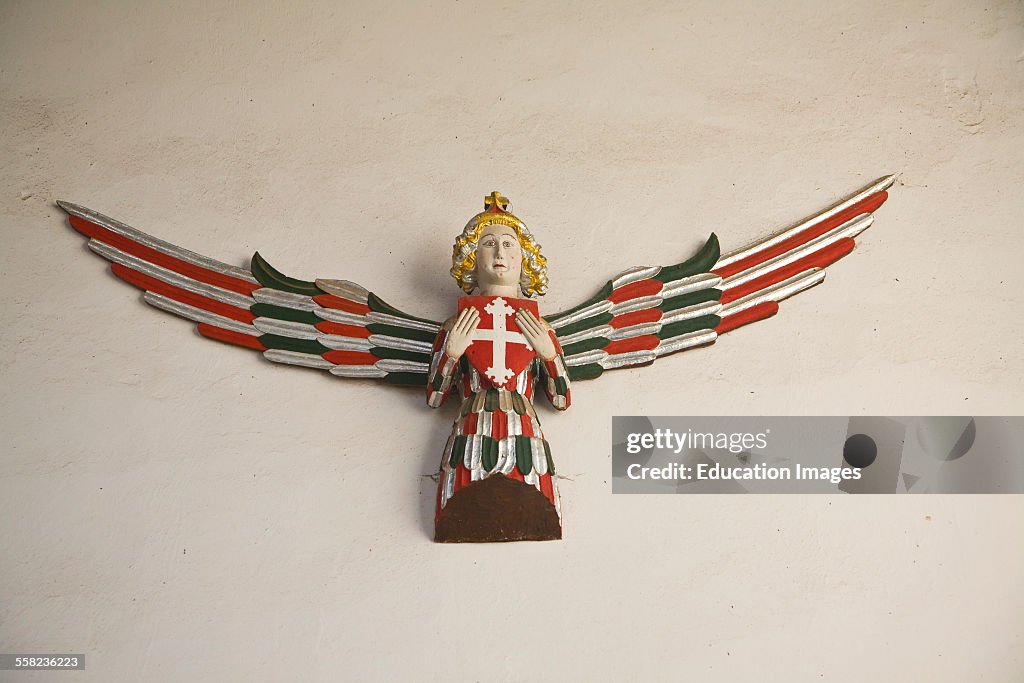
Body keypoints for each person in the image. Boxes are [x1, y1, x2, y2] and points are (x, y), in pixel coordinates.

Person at [427, 192, 571, 542]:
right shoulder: (455, 324)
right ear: (472, 259)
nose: (500, 253)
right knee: (466, 505)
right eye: (488, 244)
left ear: (526, 260)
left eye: (509, 245)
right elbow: (434, 396)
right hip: (473, 420)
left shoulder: (541, 327)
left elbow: (561, 399)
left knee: (530, 506)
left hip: (522, 423)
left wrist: (547, 355)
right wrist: (452, 351)